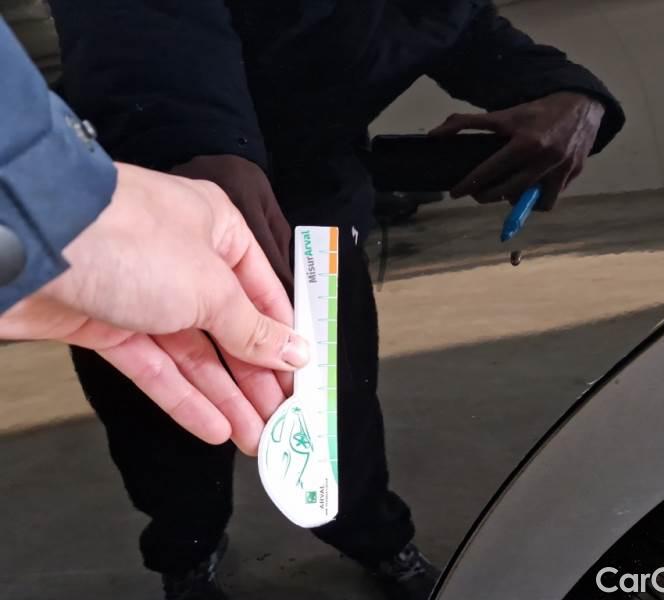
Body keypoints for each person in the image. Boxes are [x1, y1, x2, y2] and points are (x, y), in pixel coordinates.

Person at [48, 2, 626, 599]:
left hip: (312, 215)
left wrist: (577, 96)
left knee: (337, 409)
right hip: (148, 201)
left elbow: (470, 31)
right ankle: (187, 554)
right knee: (161, 413)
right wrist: (193, 141)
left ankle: (378, 540)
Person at [0, 17, 306, 455]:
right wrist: (66, 214)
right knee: (167, 429)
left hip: (298, 156)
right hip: (159, 139)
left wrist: (59, 216)